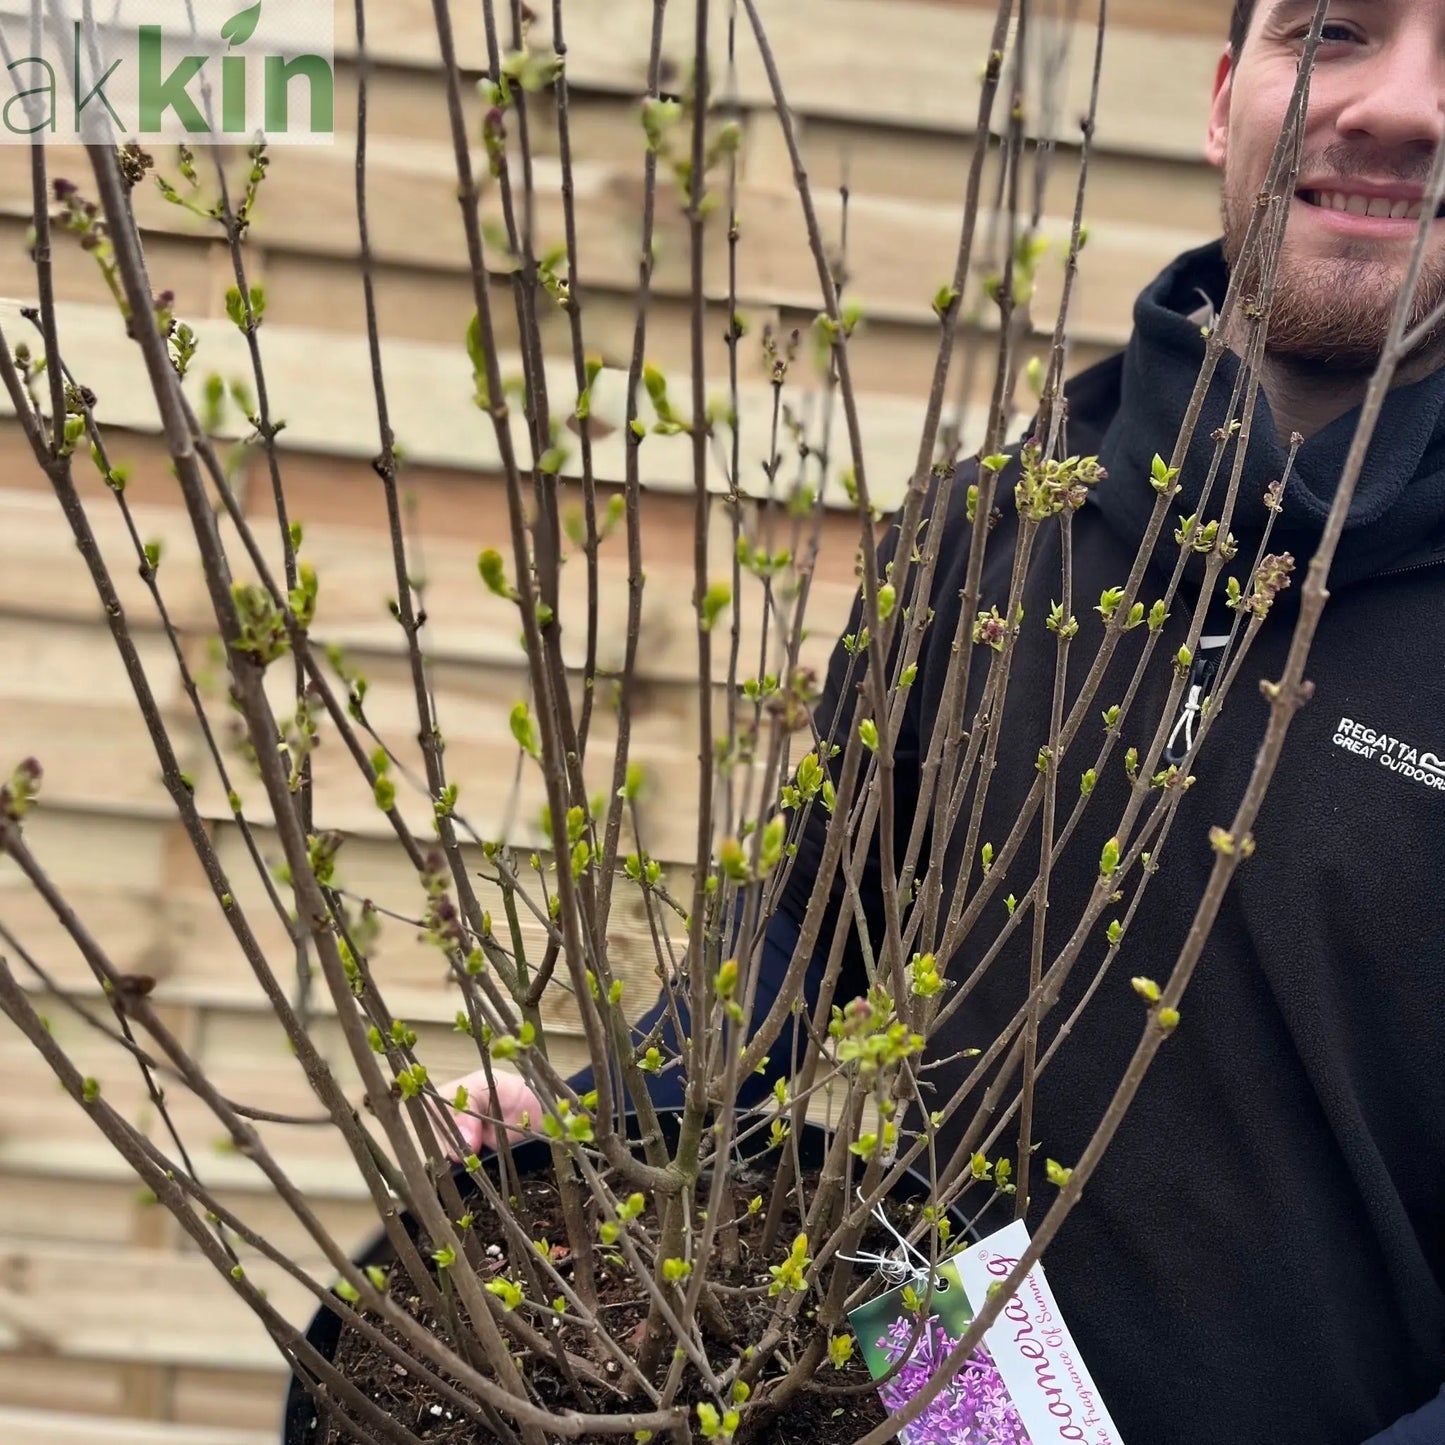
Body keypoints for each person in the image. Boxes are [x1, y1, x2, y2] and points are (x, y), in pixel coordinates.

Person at [447, 2, 1445, 1440]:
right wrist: (614, 1116)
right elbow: (813, 931)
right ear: (1227, 98)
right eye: (1335, 29)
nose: (1402, 106)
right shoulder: (993, 537)